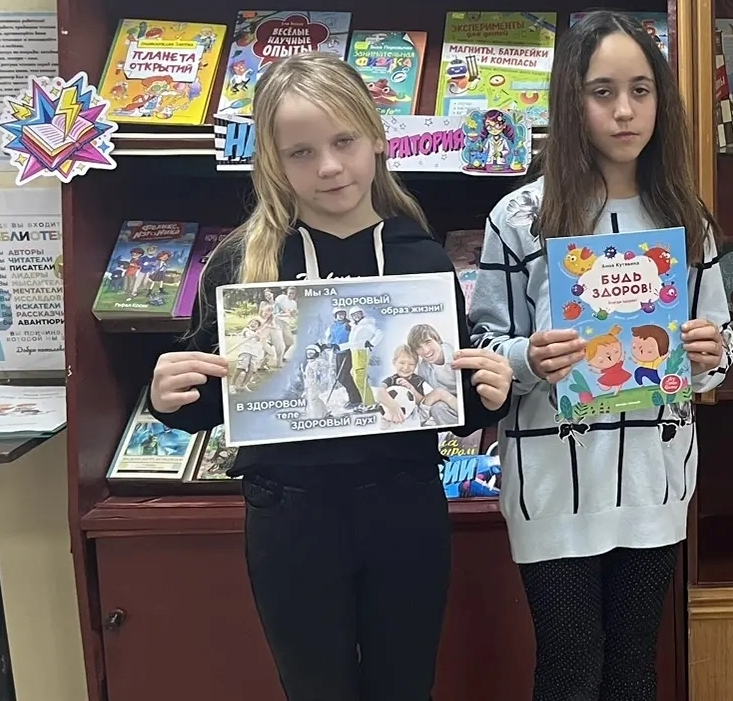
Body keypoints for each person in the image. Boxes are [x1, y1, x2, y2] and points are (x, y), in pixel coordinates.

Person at [147, 53, 512, 701]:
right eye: (301, 152)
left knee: (406, 688)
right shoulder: (242, 263)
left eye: (343, 141)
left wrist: (488, 393)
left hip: (404, 508)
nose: (329, 167)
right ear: (273, 162)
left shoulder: (422, 260)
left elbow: (446, 395)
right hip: (290, 517)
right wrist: (169, 397)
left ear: (376, 138)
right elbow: (212, 398)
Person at [471, 10, 733, 701]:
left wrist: (709, 351)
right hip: (554, 483)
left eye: (641, 90)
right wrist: (528, 358)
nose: (624, 111)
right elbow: (484, 345)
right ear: (571, 100)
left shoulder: (685, 217)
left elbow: (718, 344)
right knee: (569, 667)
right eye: (602, 92)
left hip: (654, 478)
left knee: (633, 668)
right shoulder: (520, 217)